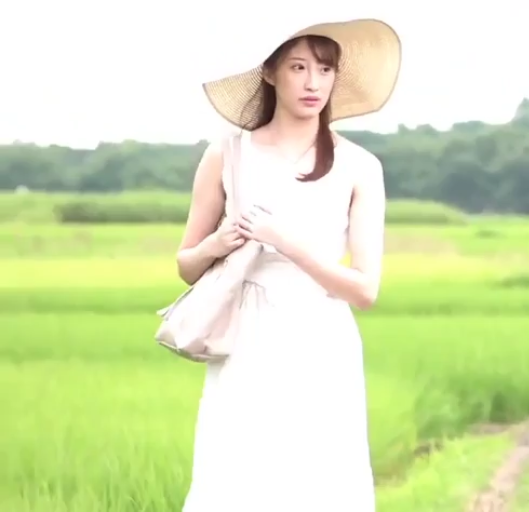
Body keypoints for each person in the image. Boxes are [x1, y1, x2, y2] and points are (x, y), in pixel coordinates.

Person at [174, 18, 401, 511]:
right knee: (238, 472)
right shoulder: (226, 154)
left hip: (321, 336)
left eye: (325, 69)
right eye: (298, 67)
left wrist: (287, 243)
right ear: (270, 72)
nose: (313, 82)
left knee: (321, 475)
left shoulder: (360, 165)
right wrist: (217, 244)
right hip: (247, 334)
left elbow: (365, 290)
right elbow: (186, 266)